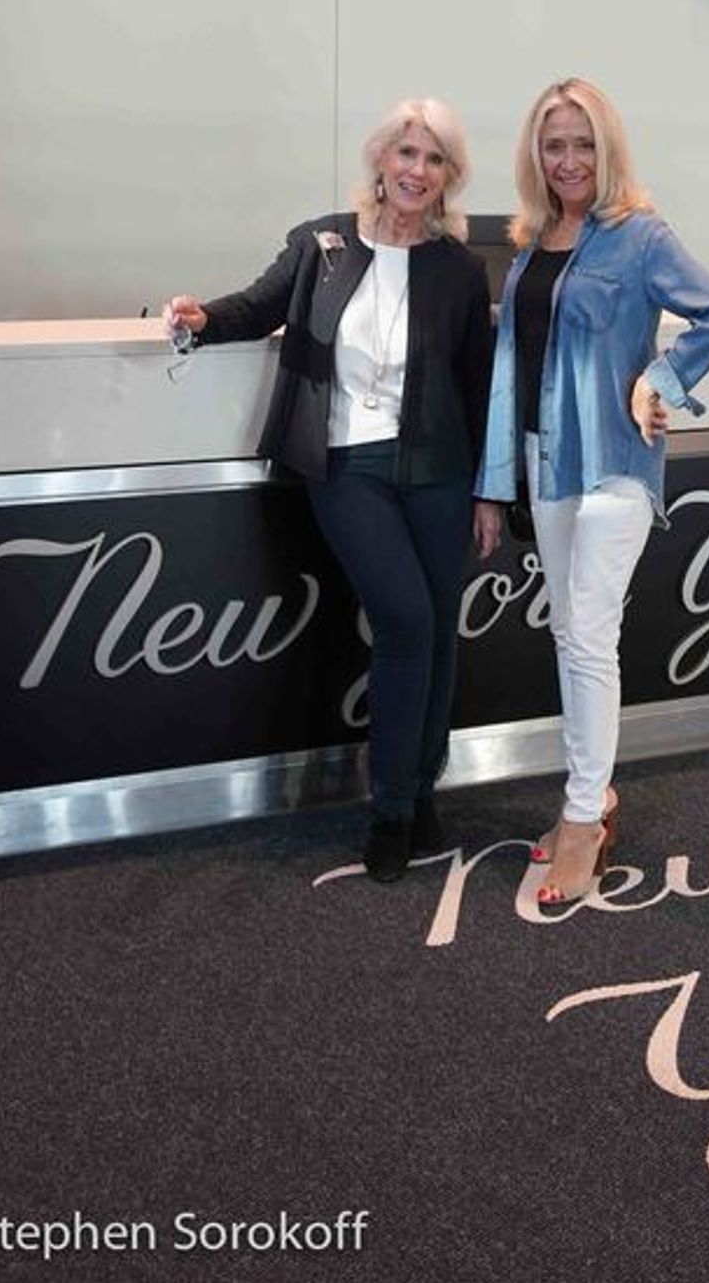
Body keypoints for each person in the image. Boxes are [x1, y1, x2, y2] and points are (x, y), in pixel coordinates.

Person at [165, 98, 503, 882]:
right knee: (408, 620)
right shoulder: (322, 243)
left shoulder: (458, 267)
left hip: (439, 471)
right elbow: (257, 307)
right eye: (407, 154)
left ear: (450, 176)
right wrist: (201, 317)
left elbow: (479, 383)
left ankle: (422, 791)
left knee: (438, 631)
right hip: (347, 467)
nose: (417, 171)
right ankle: (390, 806)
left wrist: (490, 491)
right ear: (381, 160)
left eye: (435, 159)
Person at [476, 78, 709, 906]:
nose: (568, 160)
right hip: (545, 461)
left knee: (589, 635)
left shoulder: (638, 236)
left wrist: (660, 377)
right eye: (554, 144)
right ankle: (591, 794)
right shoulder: (530, 244)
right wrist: (493, 485)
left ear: (608, 149)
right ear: (536, 155)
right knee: (570, 633)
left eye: (583, 143)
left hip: (618, 466)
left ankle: (585, 815)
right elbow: (507, 371)